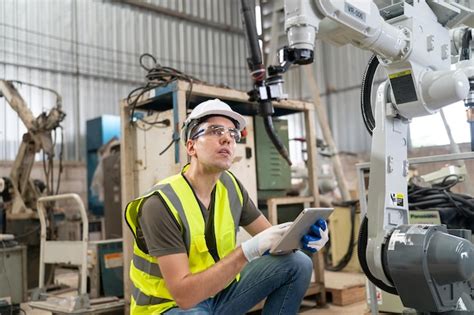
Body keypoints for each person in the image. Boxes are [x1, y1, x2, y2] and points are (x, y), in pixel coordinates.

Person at [125, 98, 329, 314]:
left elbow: (274, 241)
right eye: (215, 131)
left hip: (217, 293)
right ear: (191, 146)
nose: (227, 139)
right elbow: (184, 296)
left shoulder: (231, 187)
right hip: (169, 307)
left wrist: (301, 239)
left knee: (297, 263)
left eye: (233, 134)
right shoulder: (160, 204)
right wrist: (246, 252)